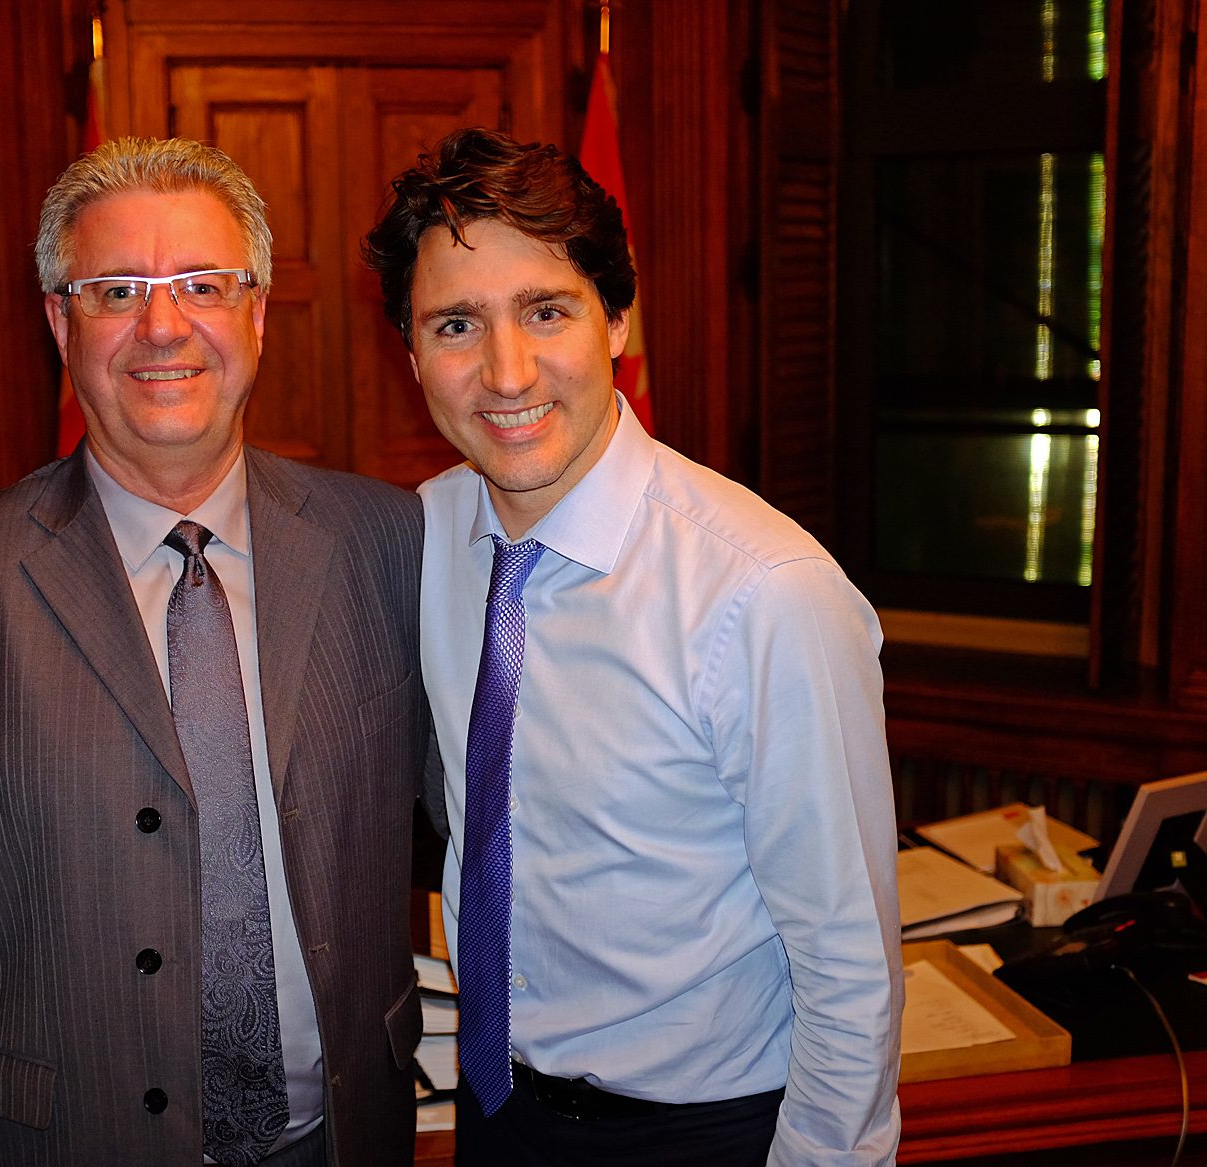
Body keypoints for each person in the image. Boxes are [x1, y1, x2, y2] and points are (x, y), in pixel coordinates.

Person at [0, 136, 430, 1167]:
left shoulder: (385, 541)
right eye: (117, 288)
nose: (163, 325)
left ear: (258, 312)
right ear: (61, 320)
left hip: (344, 1138)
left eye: (202, 285)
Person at [364, 127, 902, 1166]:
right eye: (456, 323)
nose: (505, 370)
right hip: (491, 1113)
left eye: (546, 311)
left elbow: (848, 962)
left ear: (618, 319)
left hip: (700, 1135)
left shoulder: (764, 595)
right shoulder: (418, 541)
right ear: (410, 350)